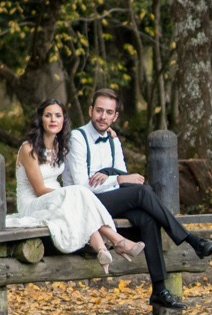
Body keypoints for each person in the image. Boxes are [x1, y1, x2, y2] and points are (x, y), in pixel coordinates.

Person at [61, 87, 212, 309]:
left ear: (115, 116)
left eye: (109, 112)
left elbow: (121, 173)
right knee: (142, 191)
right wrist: (116, 179)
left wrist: (111, 174)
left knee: (148, 219)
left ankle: (159, 290)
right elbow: (83, 187)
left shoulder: (113, 140)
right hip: (85, 206)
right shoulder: (77, 139)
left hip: (108, 202)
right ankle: (192, 240)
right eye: (99, 110)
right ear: (90, 110)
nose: (103, 116)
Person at [16, 100, 146, 273]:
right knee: (78, 194)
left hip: (57, 200)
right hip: (33, 203)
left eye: (58, 115)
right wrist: (69, 195)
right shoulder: (28, 148)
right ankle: (117, 241)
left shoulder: (60, 147)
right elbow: (39, 190)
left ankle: (101, 249)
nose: (53, 119)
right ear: (41, 119)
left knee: (78, 195)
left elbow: (89, 138)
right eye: (48, 115)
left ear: (64, 121)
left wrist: (109, 133)